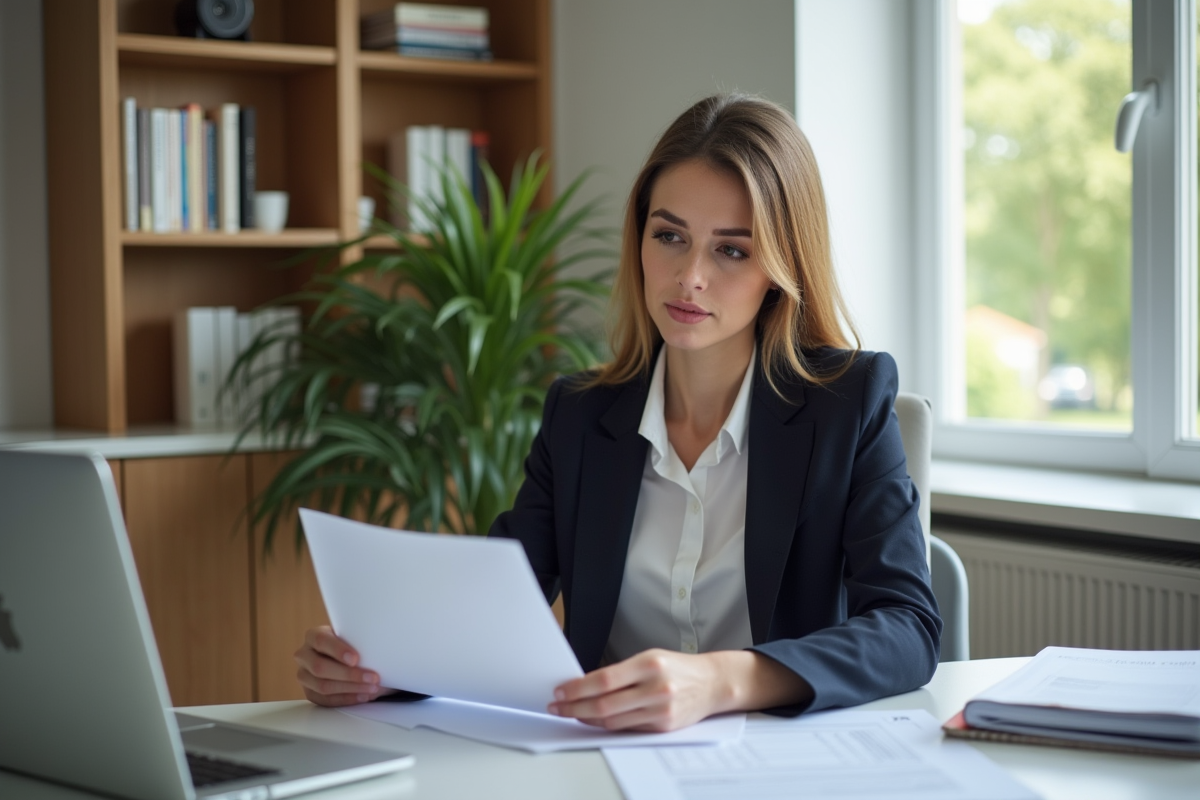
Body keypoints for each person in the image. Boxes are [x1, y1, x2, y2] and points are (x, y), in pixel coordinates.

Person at [294, 93, 942, 732]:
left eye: (732, 249)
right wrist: (377, 665)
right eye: (670, 236)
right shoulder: (579, 416)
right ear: (639, 240)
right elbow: (492, 609)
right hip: (601, 761)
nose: (689, 277)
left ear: (781, 265)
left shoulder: (848, 403)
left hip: (775, 763)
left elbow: (908, 628)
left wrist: (721, 681)